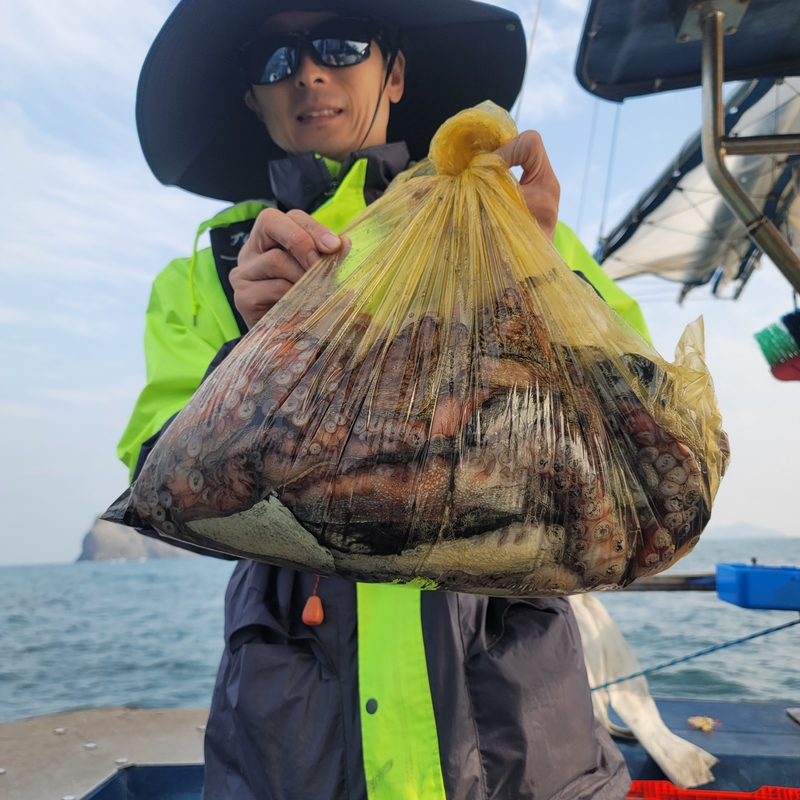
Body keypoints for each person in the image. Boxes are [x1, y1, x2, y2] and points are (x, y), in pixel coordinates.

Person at [117, 0, 651, 797]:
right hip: (295, 728)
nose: (306, 72)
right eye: (273, 61)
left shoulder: (506, 225)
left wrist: (538, 278)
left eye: (337, 43)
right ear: (252, 98)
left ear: (394, 72)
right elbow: (162, 477)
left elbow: (641, 437)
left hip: (515, 710)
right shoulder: (210, 273)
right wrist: (253, 356)